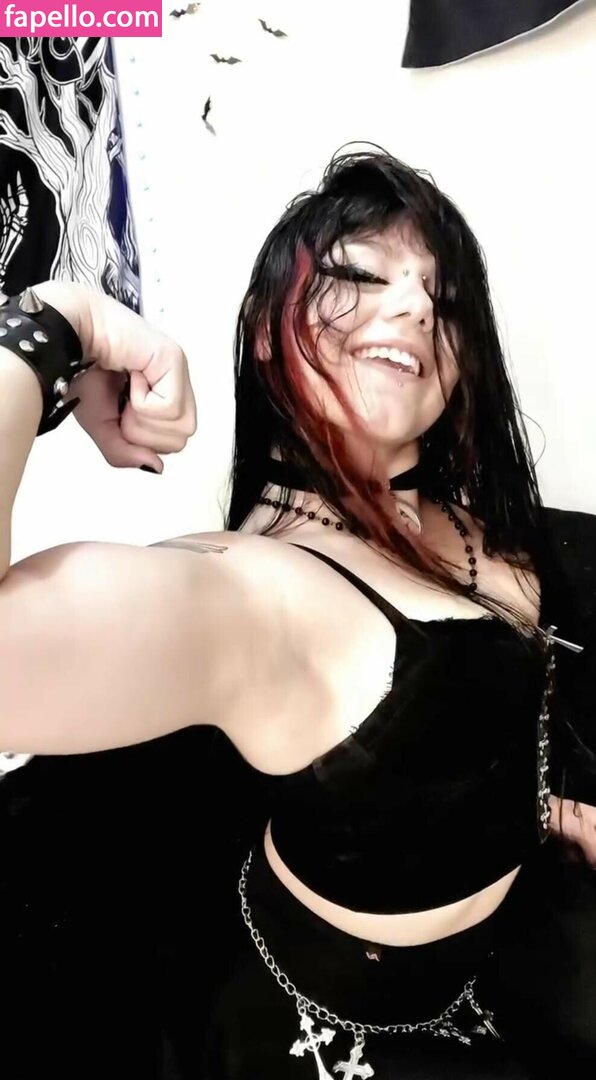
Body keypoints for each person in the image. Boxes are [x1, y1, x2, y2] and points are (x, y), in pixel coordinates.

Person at [1, 148, 595, 1080]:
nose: (414, 306)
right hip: (357, 1043)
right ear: (266, 332)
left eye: (442, 299)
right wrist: (55, 325)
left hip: (514, 969)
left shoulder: (487, 525)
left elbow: (456, 746)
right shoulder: (246, 594)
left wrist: (535, 808)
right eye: (359, 275)